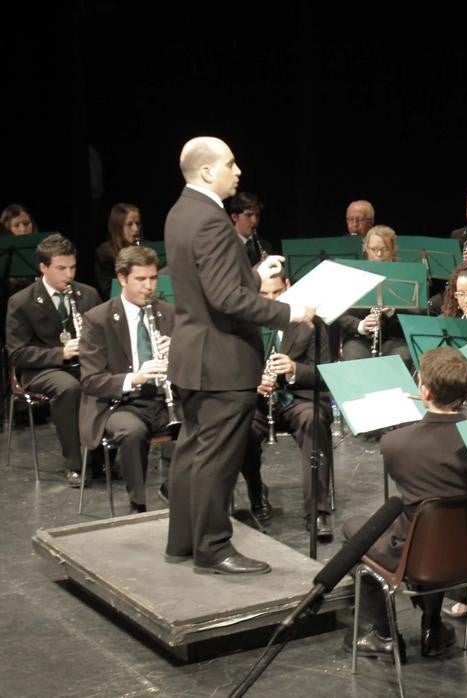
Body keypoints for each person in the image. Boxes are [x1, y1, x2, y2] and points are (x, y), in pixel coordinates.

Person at [163, 136, 313, 576]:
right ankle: (212, 547)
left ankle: (184, 541)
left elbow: (211, 284)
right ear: (208, 171)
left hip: (194, 354)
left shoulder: (180, 211)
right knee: (217, 458)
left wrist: (252, 274)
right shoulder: (211, 220)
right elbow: (226, 299)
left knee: (192, 450)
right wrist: (290, 311)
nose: (238, 170)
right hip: (221, 360)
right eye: (231, 163)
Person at [345, 347, 467, 661]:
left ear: (424, 390)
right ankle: (432, 627)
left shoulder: (395, 443)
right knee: (435, 530)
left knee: (355, 529)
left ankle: (383, 633)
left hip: (420, 555)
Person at [78, 245, 175, 513]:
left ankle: (176, 488)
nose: (149, 287)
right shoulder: (98, 319)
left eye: (153, 278)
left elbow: (193, 366)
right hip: (119, 403)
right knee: (133, 432)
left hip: (162, 400)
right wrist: (135, 377)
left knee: (201, 422)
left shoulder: (168, 313)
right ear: (122, 278)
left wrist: (177, 355)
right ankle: (138, 504)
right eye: (140, 280)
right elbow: (91, 380)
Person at [241, 272, 335, 538]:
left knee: (313, 420)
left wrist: (295, 369)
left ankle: (317, 512)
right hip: (258, 403)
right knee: (240, 429)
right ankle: (257, 495)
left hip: (299, 399)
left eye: (277, 293)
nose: (271, 301)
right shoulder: (244, 323)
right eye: (264, 295)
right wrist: (253, 381)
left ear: (289, 287)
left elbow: (325, 374)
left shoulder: (311, 322)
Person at [5, 233, 102, 485]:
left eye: (72, 267)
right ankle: (75, 463)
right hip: (41, 369)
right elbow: (17, 353)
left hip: (83, 364)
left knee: (106, 380)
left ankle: (102, 456)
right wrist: (61, 353)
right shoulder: (21, 301)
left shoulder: (87, 294)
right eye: (61, 268)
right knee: (69, 388)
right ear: (43, 267)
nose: (69, 274)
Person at [337, 225, 411, 364]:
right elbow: (339, 313)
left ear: (393, 249)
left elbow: (419, 313)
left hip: (395, 339)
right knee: (354, 359)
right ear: (366, 249)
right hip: (359, 338)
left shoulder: (407, 276)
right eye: (374, 249)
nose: (378, 255)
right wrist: (360, 325)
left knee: (401, 359)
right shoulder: (354, 275)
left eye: (384, 249)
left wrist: (393, 311)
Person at [93, 203, 143, 295]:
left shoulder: (144, 248)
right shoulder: (104, 253)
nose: (136, 229)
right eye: (129, 224)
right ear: (118, 226)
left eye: (137, 223)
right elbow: (108, 289)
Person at [227, 192, 272, 267]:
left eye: (257, 215)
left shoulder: (266, 246)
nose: (254, 220)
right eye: (249, 215)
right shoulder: (226, 246)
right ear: (235, 217)